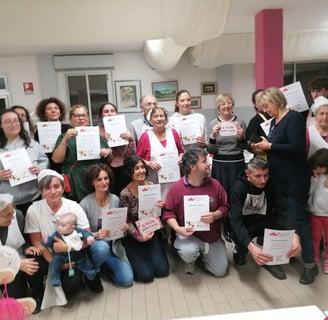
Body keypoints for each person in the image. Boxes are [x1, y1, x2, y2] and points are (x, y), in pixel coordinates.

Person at [253, 87, 318, 284]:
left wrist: (270, 146)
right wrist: (261, 146)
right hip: (277, 180)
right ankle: (283, 255)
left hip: (294, 180)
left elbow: (296, 147)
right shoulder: (273, 122)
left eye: (268, 105)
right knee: (282, 219)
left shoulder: (294, 118)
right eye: (263, 107)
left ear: (278, 101)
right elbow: (275, 147)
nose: (266, 109)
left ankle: (309, 265)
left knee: (299, 220)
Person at [24, 169, 109, 310]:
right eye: (47, 188)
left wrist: (69, 249)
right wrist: (54, 261)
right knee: (33, 260)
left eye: (56, 187)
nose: (53, 191)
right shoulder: (33, 210)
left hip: (74, 253)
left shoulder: (74, 206)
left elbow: (87, 236)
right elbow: (37, 242)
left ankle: (90, 277)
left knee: (72, 287)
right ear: (41, 191)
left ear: (63, 188)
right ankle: (37, 292)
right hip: (50, 255)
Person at [229, 157, 301, 280]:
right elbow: (235, 221)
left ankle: (271, 260)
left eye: (265, 175)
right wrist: (251, 246)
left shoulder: (270, 184)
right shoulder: (238, 188)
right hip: (245, 225)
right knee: (241, 255)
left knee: (281, 222)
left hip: (263, 222)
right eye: (258, 176)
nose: (263, 180)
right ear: (248, 174)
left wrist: (295, 234)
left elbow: (284, 208)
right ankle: (239, 250)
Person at [163, 149, 229, 276]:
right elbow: (168, 213)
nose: (208, 163)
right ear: (192, 167)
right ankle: (191, 261)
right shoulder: (177, 188)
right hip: (188, 235)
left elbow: (225, 206)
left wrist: (216, 215)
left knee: (220, 271)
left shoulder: (215, 185)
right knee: (188, 252)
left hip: (211, 236)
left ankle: (205, 253)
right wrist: (178, 229)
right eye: (204, 161)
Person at [80, 163, 133, 287]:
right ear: (92, 182)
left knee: (126, 280)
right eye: (99, 179)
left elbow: (121, 228)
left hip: (114, 246)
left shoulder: (115, 199)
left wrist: (124, 229)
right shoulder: (85, 204)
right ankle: (95, 270)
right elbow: (80, 233)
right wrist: (96, 235)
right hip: (96, 247)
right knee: (102, 248)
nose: (104, 182)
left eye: (106, 178)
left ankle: (104, 268)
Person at [119, 155, 169, 283]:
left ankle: (147, 255)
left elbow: (155, 214)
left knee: (162, 271)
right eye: (137, 168)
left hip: (151, 232)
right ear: (130, 171)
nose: (141, 171)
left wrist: (160, 207)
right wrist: (139, 237)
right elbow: (126, 221)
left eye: (142, 167)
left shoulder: (151, 186)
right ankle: (134, 258)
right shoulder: (125, 194)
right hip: (134, 236)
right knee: (146, 276)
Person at [52, 104, 112, 202]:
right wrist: (66, 139)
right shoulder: (64, 136)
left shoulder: (97, 136)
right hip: (76, 179)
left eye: (84, 115)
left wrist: (107, 153)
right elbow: (56, 159)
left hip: (96, 178)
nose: (81, 118)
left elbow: (109, 160)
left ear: (88, 118)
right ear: (70, 119)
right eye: (77, 116)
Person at [0, 193, 44, 314]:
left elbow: (25, 238)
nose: (12, 216)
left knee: (34, 263)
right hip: (3, 267)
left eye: (12, 211)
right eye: (7, 215)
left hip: (19, 254)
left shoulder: (17, 216)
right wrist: (17, 264)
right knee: (16, 296)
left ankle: (38, 292)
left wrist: (27, 248)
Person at [0, 109, 49, 215]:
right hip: (7, 202)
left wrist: (40, 168)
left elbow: (44, 160)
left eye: (16, 120)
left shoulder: (32, 143)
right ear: (1, 125)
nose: (13, 124)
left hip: (34, 198)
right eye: (8, 121)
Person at [137, 106, 184, 199]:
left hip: (173, 178)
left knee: (173, 202)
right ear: (150, 120)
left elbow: (181, 152)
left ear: (166, 119)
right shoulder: (145, 136)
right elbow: (137, 159)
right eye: (155, 116)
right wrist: (148, 163)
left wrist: (181, 158)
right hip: (154, 179)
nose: (159, 119)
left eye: (161, 116)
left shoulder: (173, 133)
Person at [207, 93, 247, 202]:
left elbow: (244, 146)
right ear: (218, 107)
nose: (226, 106)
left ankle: (237, 217)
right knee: (221, 194)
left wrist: (241, 138)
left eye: (229, 103)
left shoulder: (240, 122)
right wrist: (213, 136)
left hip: (237, 161)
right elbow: (211, 150)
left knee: (238, 193)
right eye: (223, 104)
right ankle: (223, 217)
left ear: (233, 105)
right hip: (220, 162)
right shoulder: (213, 124)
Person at [43, 212, 97, 287]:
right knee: (55, 262)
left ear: (72, 227)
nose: (59, 227)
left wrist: (89, 237)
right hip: (61, 256)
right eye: (58, 225)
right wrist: (46, 241)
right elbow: (50, 241)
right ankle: (55, 277)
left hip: (76, 254)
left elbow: (85, 233)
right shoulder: (57, 234)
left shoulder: (77, 231)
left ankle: (89, 272)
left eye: (63, 226)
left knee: (84, 260)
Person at [98, 102, 136, 196]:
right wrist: (104, 141)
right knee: (110, 195)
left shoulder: (124, 129)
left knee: (124, 195)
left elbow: (130, 154)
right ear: (101, 115)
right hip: (105, 169)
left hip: (123, 168)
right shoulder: (97, 131)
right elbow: (95, 153)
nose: (110, 113)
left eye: (112, 111)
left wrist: (130, 139)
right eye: (106, 111)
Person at [34, 97, 71, 172]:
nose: (53, 110)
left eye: (56, 108)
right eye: (49, 109)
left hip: (66, 166)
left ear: (60, 112)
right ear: (44, 113)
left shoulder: (68, 129)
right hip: (48, 166)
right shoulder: (39, 132)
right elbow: (38, 151)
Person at [307, 148, 328, 273]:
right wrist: (314, 181)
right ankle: (314, 258)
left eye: (321, 167)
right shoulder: (313, 176)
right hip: (315, 213)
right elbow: (308, 193)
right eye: (316, 166)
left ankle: (327, 260)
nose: (318, 169)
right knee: (315, 237)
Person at [245, 89, 269, 155]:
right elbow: (249, 145)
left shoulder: (278, 116)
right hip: (264, 159)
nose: (263, 102)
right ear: (256, 105)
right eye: (260, 101)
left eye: (265, 99)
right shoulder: (254, 121)